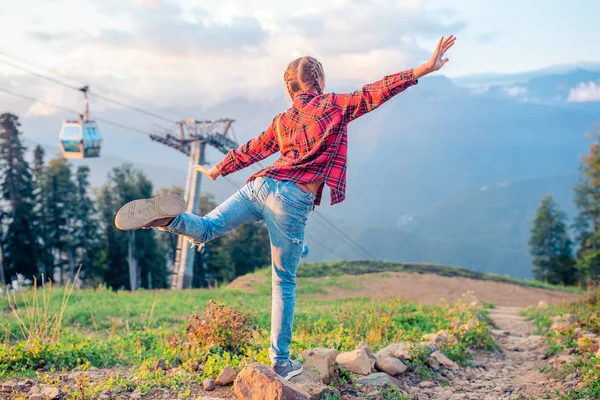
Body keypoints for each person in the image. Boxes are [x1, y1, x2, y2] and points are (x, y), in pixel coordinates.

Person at [114, 35, 456, 380]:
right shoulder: (335, 105)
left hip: (259, 186)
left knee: (204, 228)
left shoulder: (282, 120)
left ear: (290, 90)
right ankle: (280, 362)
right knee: (283, 283)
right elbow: (377, 91)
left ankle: (168, 219)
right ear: (318, 81)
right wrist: (425, 68)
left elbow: (254, 148)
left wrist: (219, 169)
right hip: (290, 200)